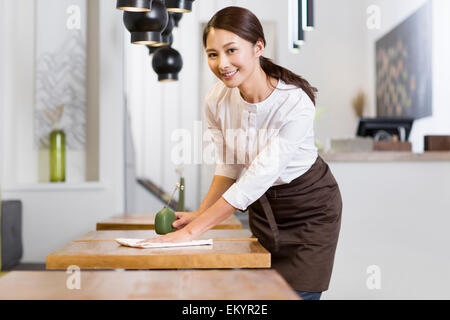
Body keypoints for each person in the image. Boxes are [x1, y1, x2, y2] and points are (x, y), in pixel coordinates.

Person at [138, 6, 342, 301]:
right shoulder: (217, 99)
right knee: (259, 298)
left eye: (232, 50)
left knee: (296, 295)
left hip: (310, 210)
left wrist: (191, 232)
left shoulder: (295, 103)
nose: (222, 63)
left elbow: (257, 177)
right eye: (212, 54)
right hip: (264, 209)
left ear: (258, 47)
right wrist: (200, 216)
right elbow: (229, 165)